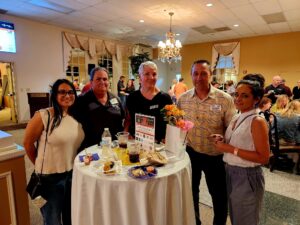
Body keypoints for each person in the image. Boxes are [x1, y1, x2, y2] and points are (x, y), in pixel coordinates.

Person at [177, 59, 236, 225]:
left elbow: (232, 129)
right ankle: (195, 221)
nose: (199, 77)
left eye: (204, 73)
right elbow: (178, 124)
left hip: (215, 156)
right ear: (191, 75)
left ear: (210, 75)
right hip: (191, 153)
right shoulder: (183, 99)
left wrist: (224, 138)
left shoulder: (224, 99)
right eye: (195, 73)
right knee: (191, 192)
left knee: (219, 195)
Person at [23, 79, 84, 225]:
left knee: (72, 217)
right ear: (54, 95)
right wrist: (39, 165)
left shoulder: (76, 117)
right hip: (49, 180)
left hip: (72, 176)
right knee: (52, 220)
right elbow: (27, 144)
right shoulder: (44, 116)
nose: (67, 95)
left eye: (70, 92)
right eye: (62, 92)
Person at [214, 79, 270, 225]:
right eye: (236, 94)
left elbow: (264, 157)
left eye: (245, 96)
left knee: (246, 220)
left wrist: (230, 149)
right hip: (230, 172)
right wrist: (223, 140)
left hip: (247, 176)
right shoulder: (237, 116)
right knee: (236, 217)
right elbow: (239, 142)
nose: (238, 99)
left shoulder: (257, 121)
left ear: (256, 99)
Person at [74, 67, 125, 149]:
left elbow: (123, 120)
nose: (102, 82)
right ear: (91, 82)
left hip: (114, 148)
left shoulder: (116, 99)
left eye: (105, 79)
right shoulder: (81, 100)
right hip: (91, 149)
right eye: (98, 79)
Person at [125, 61, 172, 143]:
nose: (151, 77)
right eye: (147, 74)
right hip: (136, 143)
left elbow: (171, 122)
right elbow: (128, 119)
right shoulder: (132, 98)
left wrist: (169, 139)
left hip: (159, 145)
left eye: (154, 74)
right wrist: (126, 134)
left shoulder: (165, 98)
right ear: (140, 77)